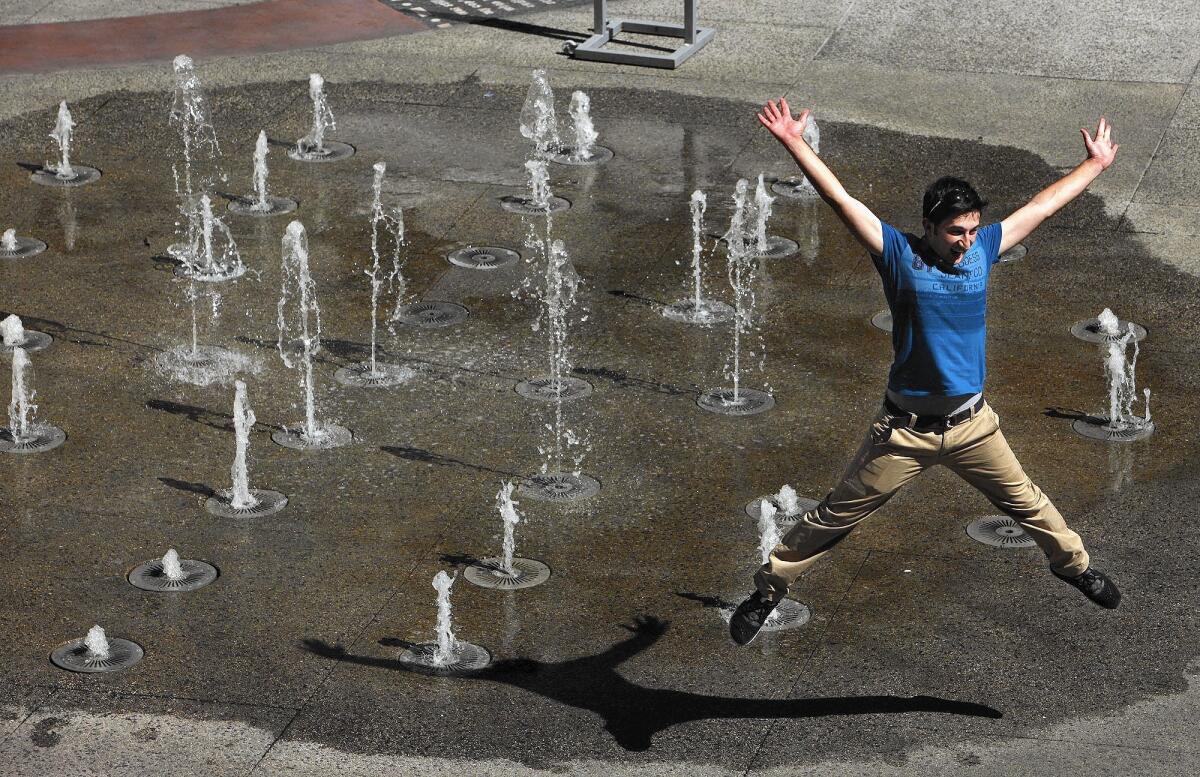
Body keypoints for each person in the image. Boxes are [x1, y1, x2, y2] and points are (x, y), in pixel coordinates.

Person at [729, 99, 1122, 646]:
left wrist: (1095, 166)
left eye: (972, 229)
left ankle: (1075, 568)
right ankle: (768, 590)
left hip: (972, 427)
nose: (965, 241)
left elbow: (1041, 206)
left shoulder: (985, 249)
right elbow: (841, 199)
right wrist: (795, 142)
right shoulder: (898, 255)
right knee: (835, 515)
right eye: (955, 231)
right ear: (928, 227)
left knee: (1032, 505)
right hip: (904, 433)